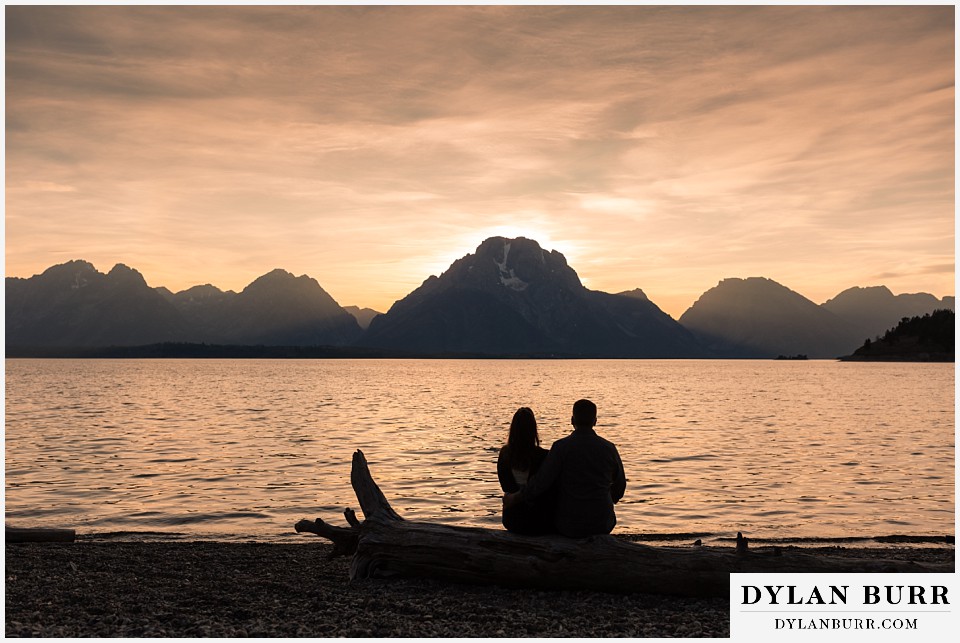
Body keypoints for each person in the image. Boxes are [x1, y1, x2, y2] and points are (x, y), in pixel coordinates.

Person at [506, 399, 626, 538]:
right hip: (602, 523)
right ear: (595, 421)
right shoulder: (609, 449)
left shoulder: (560, 447)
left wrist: (514, 498)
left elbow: (540, 483)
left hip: (569, 524)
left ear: (572, 420)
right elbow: (620, 486)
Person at [497, 407, 556, 535]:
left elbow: (505, 486)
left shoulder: (505, 454)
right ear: (533, 430)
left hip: (512, 519)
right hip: (539, 520)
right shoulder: (544, 456)